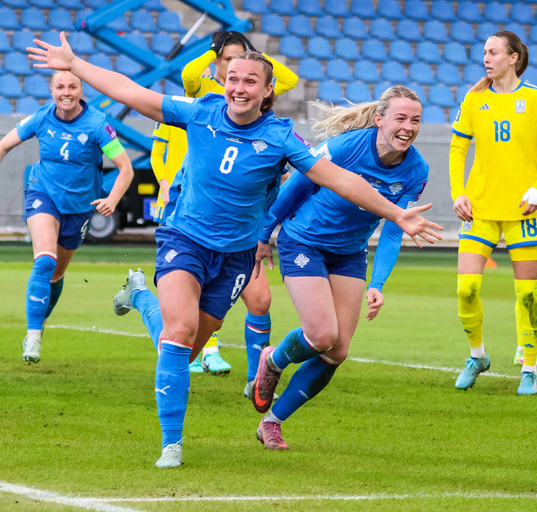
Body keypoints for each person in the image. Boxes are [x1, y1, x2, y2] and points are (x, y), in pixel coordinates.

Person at [27, 31, 441, 468]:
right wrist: (76, 65)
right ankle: (172, 445)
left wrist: (396, 214)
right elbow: (132, 92)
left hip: (236, 257)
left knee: (183, 348)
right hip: (184, 239)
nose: (239, 88)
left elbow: (340, 179)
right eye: (233, 79)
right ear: (224, 81)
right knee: (179, 334)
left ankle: (140, 296)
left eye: (250, 82)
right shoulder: (200, 111)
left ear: (267, 90)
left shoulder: (281, 137)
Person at [250, 86, 430, 450]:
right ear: (379, 120)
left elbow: (394, 229)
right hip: (304, 241)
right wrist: (265, 234)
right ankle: (274, 359)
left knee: (337, 351)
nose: (408, 127)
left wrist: (378, 283)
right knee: (321, 335)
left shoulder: (417, 170)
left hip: (349, 253)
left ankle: (272, 422)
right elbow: (295, 187)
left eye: (415, 120)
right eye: (400, 118)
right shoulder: (347, 147)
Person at [0, 70, 133, 364]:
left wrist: (112, 199)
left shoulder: (97, 124)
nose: (66, 92)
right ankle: (32, 337)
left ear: (81, 90)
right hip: (42, 195)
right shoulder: (42, 118)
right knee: (45, 260)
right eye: (60, 87)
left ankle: (39, 323)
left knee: (56, 275)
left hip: (79, 208)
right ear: (51, 90)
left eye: (72, 86)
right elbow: (3, 145)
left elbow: (125, 168)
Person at [181, 30, 299, 378]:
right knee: (185, 322)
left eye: (248, 74)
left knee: (260, 301)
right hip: (195, 215)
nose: (239, 77)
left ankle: (254, 380)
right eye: (229, 63)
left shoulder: (267, 123)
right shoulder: (204, 94)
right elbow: (188, 75)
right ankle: (203, 349)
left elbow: (288, 80)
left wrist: (254, 57)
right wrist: (213, 52)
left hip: (243, 232)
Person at [449, 31, 537, 395]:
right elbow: (457, 148)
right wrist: (459, 193)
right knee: (466, 289)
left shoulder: (533, 98)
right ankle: (477, 356)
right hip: (480, 210)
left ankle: (530, 366)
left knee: (528, 295)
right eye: (484, 52)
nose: (486, 58)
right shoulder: (474, 99)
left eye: (494, 52)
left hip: (524, 212)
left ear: (513, 57)